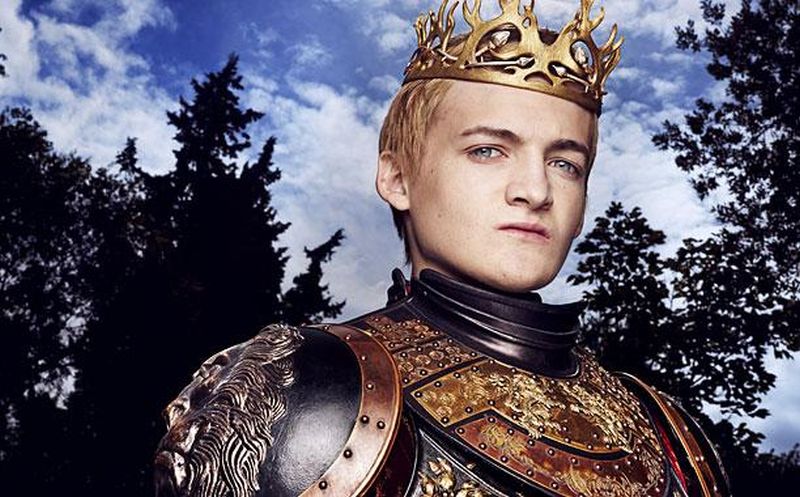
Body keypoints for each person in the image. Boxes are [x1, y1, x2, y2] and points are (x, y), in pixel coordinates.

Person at [154, 1, 729, 496]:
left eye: (565, 163)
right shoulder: (303, 382)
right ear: (397, 178)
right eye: (487, 151)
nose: (536, 191)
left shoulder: (667, 431)